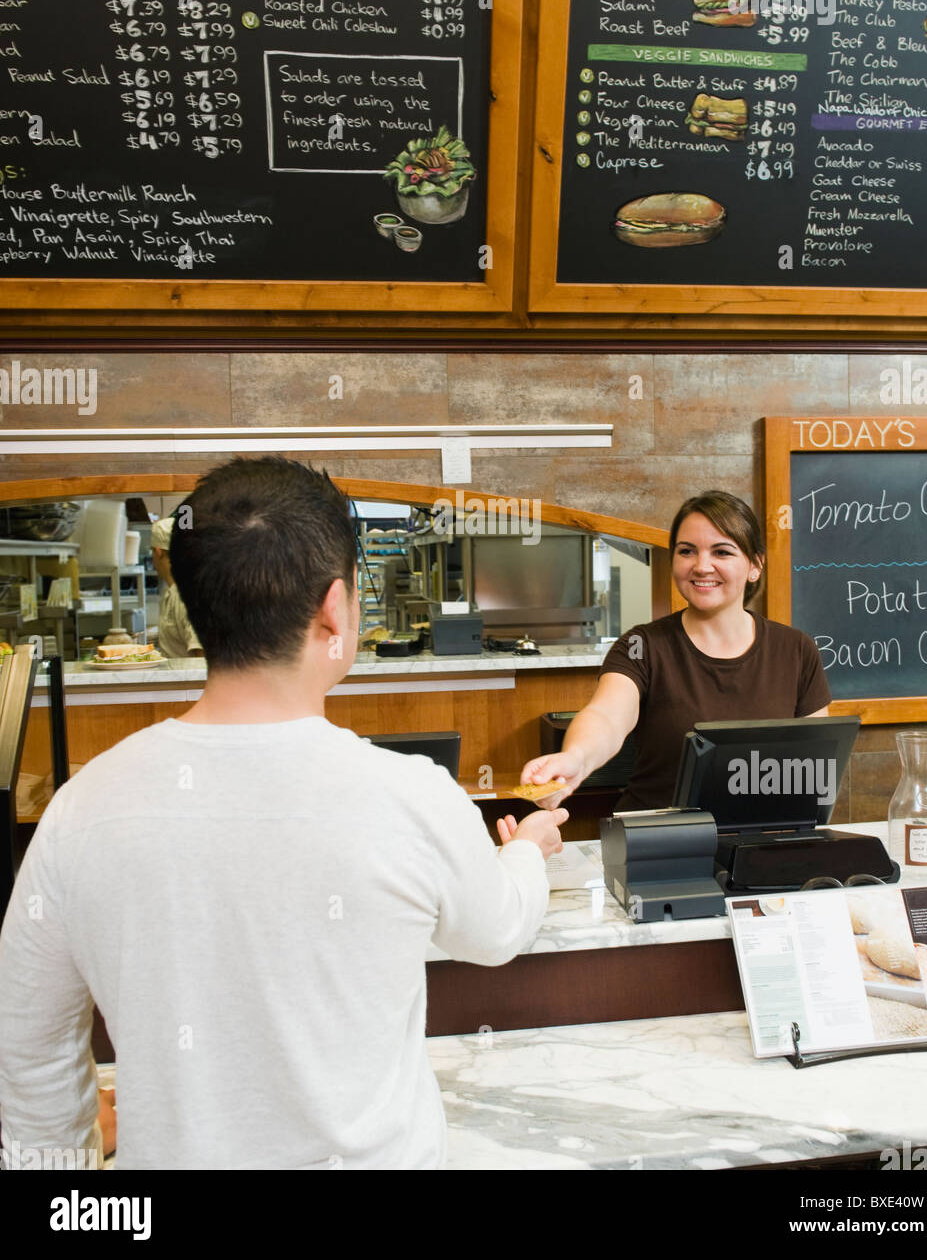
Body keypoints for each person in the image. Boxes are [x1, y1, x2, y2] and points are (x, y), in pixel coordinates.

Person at [0, 458, 567, 1170]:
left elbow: (28, 1051)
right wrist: (527, 850)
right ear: (335, 609)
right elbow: (496, 929)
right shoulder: (412, 796)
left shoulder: (81, 808)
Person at [520, 490, 830, 813]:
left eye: (722, 552)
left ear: (755, 566)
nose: (701, 566)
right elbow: (606, 717)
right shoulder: (641, 647)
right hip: (662, 842)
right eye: (687, 551)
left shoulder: (796, 650)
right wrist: (576, 758)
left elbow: (815, 765)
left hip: (763, 843)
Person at [150, 516, 203, 658]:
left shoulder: (188, 594)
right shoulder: (174, 591)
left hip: (192, 680)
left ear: (158, 551)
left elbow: (202, 655)